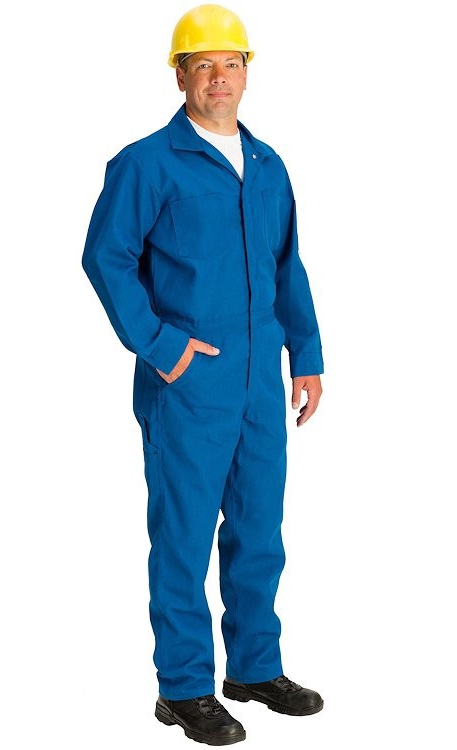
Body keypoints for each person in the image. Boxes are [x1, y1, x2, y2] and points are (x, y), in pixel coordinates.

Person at [82, 4, 325, 744]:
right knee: (184, 537)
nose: (219, 77)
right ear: (180, 76)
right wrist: (163, 347)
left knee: (259, 531)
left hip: (259, 381)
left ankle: (254, 668)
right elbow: (106, 258)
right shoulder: (146, 163)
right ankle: (183, 686)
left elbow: (287, 266)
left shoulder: (268, 164)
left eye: (231, 63)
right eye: (203, 65)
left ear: (248, 73)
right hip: (188, 385)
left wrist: (307, 356)